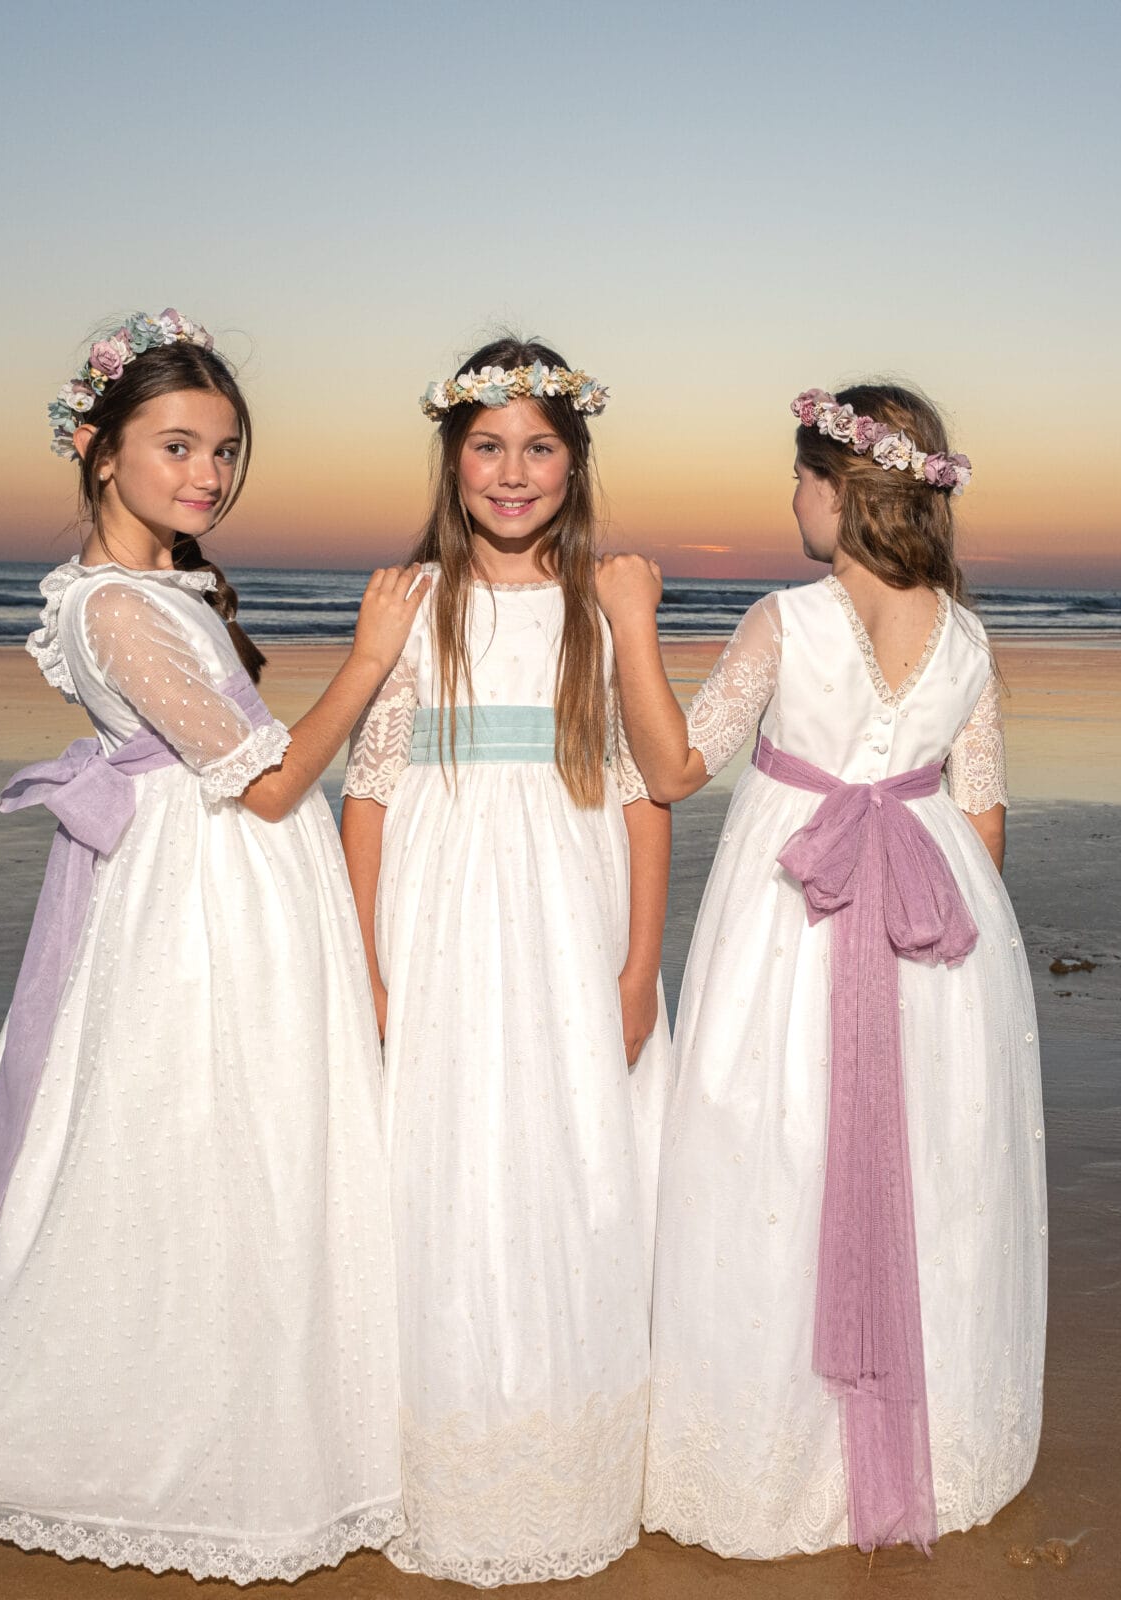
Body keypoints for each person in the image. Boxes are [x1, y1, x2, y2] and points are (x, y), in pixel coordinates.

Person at [0, 309, 428, 1582]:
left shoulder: (165, 592)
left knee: (209, 1158)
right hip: (196, 910)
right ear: (98, 450)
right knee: (148, 1156)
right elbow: (265, 784)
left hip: (236, 892)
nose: (208, 474)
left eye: (225, 450)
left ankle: (227, 1408)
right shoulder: (112, 607)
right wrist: (368, 660)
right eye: (176, 446)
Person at [600, 382, 1045, 1556]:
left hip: (791, 917)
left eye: (798, 477)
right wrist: (933, 939)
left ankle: (775, 1456)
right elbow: (982, 817)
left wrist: (631, 625)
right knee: (928, 1163)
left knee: (773, 1142)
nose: (789, 497)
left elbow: (673, 766)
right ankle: (934, 1449)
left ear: (839, 491)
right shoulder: (965, 636)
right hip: (936, 931)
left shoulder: (785, 620)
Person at [339, 337, 671, 1585]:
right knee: (442, 1153)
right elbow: (367, 796)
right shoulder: (410, 602)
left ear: (574, 464)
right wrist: (365, 962)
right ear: (451, 458)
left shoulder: (600, 606)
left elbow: (644, 797)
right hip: (435, 915)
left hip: (568, 917)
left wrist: (637, 967)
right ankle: (439, 1441)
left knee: (568, 1154)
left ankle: (566, 1443)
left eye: (538, 447)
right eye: (487, 446)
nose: (512, 471)